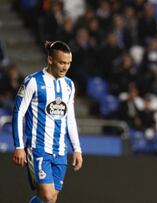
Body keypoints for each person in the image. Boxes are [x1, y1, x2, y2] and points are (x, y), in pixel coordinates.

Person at [12, 41, 83, 203]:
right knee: (48, 196)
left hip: (60, 150)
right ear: (50, 60)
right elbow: (18, 113)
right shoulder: (33, 82)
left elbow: (70, 117)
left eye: (69, 63)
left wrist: (77, 149)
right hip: (38, 148)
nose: (65, 67)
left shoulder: (69, 85)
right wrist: (19, 146)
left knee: (50, 199)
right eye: (62, 62)